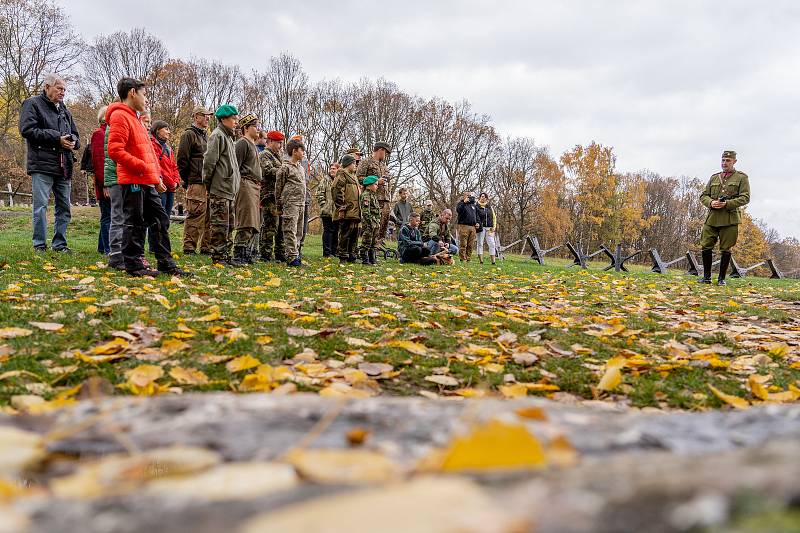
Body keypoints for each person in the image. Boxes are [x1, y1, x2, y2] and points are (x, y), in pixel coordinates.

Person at [106, 77, 190, 277]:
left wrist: (156, 177)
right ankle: (133, 264)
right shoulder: (120, 116)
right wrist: (142, 167)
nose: (146, 99)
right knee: (135, 221)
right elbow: (114, 150)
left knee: (160, 218)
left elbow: (149, 153)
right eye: (144, 94)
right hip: (133, 180)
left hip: (147, 180)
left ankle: (165, 262)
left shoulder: (136, 118)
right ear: (132, 93)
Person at [19, 73, 80, 253]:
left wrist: (73, 141)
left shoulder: (65, 111)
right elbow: (27, 130)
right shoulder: (32, 103)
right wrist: (57, 139)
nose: (63, 93)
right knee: (41, 207)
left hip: (64, 165)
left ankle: (59, 244)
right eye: (59, 88)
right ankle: (39, 245)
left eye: (65, 90)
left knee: (64, 208)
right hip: (42, 164)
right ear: (47, 87)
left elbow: (76, 136)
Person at [698, 150, 751, 285]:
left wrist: (727, 203)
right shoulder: (714, 177)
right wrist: (711, 202)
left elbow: (745, 198)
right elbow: (703, 195)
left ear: (734, 162)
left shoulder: (741, 178)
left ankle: (721, 279)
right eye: (723, 160)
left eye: (728, 160)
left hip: (729, 218)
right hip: (712, 218)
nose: (724, 163)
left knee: (726, 248)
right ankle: (706, 277)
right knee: (706, 246)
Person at [203, 104, 242, 267]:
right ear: (224, 119)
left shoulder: (229, 137)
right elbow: (209, 162)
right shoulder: (217, 135)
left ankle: (226, 255)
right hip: (219, 189)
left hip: (229, 190)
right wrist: (208, 183)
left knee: (229, 225)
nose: (236, 122)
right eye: (233, 118)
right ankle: (218, 257)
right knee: (219, 225)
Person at [178, 107, 214, 255]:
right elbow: (182, 160)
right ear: (196, 117)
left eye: (209, 116)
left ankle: (206, 247)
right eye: (205, 116)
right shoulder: (189, 134)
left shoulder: (206, 136)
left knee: (208, 217)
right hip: (195, 182)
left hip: (207, 183)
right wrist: (188, 181)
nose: (208, 119)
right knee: (195, 214)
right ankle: (189, 247)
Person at [232, 114, 262, 265]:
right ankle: (238, 253)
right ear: (245, 128)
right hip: (245, 184)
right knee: (246, 220)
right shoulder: (242, 144)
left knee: (254, 222)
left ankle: (247, 253)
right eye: (255, 126)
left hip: (254, 186)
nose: (258, 129)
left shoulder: (253, 145)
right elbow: (235, 166)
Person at [147, 120, 181, 253]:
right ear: (157, 130)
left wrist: (176, 181)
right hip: (160, 187)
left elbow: (174, 167)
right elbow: (157, 167)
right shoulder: (152, 145)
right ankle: (154, 246)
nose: (169, 131)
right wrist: (168, 181)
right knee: (157, 218)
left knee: (166, 218)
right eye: (165, 129)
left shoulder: (168, 148)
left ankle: (162, 245)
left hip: (171, 188)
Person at [275, 138, 306, 267]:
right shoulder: (285, 168)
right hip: (290, 203)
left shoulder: (300, 168)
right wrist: (278, 205)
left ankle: (296, 254)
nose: (303, 153)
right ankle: (291, 257)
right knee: (289, 230)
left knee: (299, 231)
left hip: (301, 203)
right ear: (294, 151)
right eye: (301, 150)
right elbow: (278, 187)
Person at [357, 141, 391, 244]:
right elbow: (359, 178)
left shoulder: (384, 165)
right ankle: (368, 248)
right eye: (385, 153)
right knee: (372, 226)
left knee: (383, 224)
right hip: (372, 199)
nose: (386, 156)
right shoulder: (366, 162)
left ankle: (376, 248)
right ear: (380, 150)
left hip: (385, 198)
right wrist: (375, 181)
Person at [258, 130, 285, 262]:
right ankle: (265, 254)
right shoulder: (264, 155)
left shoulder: (278, 156)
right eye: (279, 143)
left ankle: (280, 253)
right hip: (269, 195)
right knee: (270, 225)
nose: (280, 146)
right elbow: (268, 171)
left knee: (281, 227)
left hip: (279, 196)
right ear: (271, 141)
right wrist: (284, 171)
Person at [332, 154, 362, 263]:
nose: (355, 165)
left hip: (355, 211)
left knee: (354, 233)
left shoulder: (353, 176)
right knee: (345, 233)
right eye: (353, 163)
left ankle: (351, 255)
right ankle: (343, 256)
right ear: (348, 164)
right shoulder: (342, 174)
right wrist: (341, 208)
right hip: (347, 210)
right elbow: (336, 191)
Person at [90, 106, 109, 255]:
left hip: (110, 181)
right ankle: (108, 249)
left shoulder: (109, 133)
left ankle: (102, 247)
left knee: (108, 215)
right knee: (107, 215)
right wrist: (105, 184)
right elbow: (99, 161)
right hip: (104, 183)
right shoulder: (99, 134)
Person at [316, 162, 340, 257]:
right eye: (331, 169)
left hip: (337, 212)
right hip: (327, 211)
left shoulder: (339, 181)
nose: (332, 170)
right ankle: (327, 252)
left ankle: (334, 252)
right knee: (328, 231)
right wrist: (324, 205)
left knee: (335, 232)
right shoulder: (325, 180)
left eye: (334, 169)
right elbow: (319, 193)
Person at [359, 175, 381, 265]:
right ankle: (365, 259)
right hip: (369, 223)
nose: (377, 186)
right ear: (369, 185)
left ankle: (372, 259)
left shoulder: (373, 195)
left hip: (375, 222)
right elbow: (365, 212)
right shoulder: (366, 195)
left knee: (373, 242)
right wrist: (370, 222)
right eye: (375, 184)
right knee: (367, 241)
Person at [456, 191, 480, 262]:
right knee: (463, 244)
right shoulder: (461, 203)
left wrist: (478, 223)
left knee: (471, 245)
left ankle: (468, 258)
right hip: (464, 226)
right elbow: (459, 210)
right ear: (464, 196)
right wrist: (464, 202)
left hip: (473, 227)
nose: (469, 197)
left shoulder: (473, 205)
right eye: (467, 195)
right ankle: (462, 258)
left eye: (470, 195)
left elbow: (477, 216)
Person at [475, 192, 498, 265]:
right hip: (481, 228)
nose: (483, 198)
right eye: (482, 196)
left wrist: (494, 227)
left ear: (486, 198)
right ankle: (481, 261)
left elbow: (494, 217)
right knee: (480, 243)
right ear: (479, 197)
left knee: (492, 244)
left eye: (485, 197)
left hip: (489, 228)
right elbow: (475, 217)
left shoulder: (489, 207)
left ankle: (493, 261)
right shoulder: (476, 206)